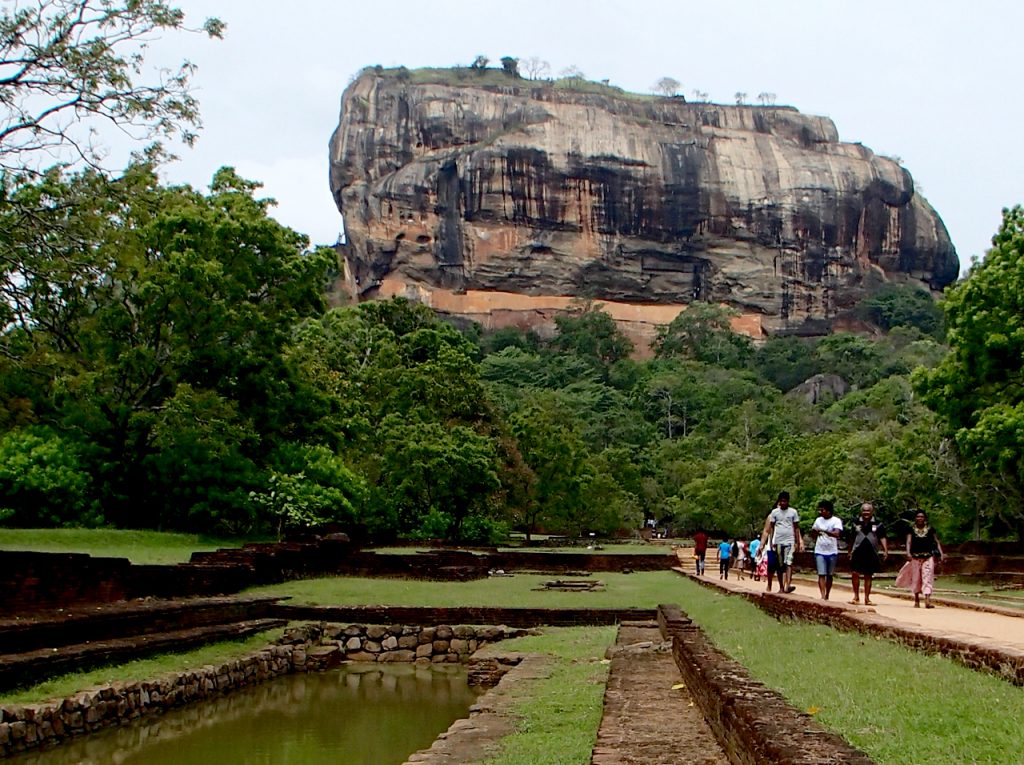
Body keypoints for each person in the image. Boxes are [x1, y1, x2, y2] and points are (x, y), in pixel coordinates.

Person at [760, 491, 802, 593]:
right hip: (776, 542)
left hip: (789, 541)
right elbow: (768, 530)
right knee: (776, 566)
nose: (782, 503)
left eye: (785, 501)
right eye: (781, 501)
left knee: (788, 563)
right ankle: (774, 585)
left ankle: (787, 585)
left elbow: (796, 528)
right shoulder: (773, 514)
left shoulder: (793, 512)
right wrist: (763, 544)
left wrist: (799, 541)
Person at [900, 510, 943, 608]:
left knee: (927, 577)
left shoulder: (930, 529)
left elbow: (936, 541)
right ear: (915, 518)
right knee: (916, 578)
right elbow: (909, 541)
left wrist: (941, 553)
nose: (920, 519)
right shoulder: (911, 529)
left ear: (925, 518)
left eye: (922, 517)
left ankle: (927, 600)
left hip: (928, 557)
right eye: (918, 517)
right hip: (915, 557)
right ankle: (916, 600)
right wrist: (908, 552)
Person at [848, 502, 888, 605]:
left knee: (868, 575)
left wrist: (885, 550)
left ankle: (867, 598)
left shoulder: (878, 523)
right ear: (861, 511)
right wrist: (849, 551)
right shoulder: (855, 522)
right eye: (864, 511)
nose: (866, 513)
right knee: (855, 573)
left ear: (872, 512)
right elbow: (852, 538)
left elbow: (882, 537)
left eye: (868, 511)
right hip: (857, 550)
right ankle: (856, 597)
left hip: (871, 551)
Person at [811, 499, 843, 600]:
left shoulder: (836, 521)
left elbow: (837, 534)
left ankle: (827, 594)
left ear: (828, 511)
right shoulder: (818, 520)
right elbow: (813, 534)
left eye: (822, 510)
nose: (820, 512)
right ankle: (823, 595)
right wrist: (815, 532)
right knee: (821, 573)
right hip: (820, 550)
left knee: (829, 574)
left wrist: (824, 531)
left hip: (832, 551)